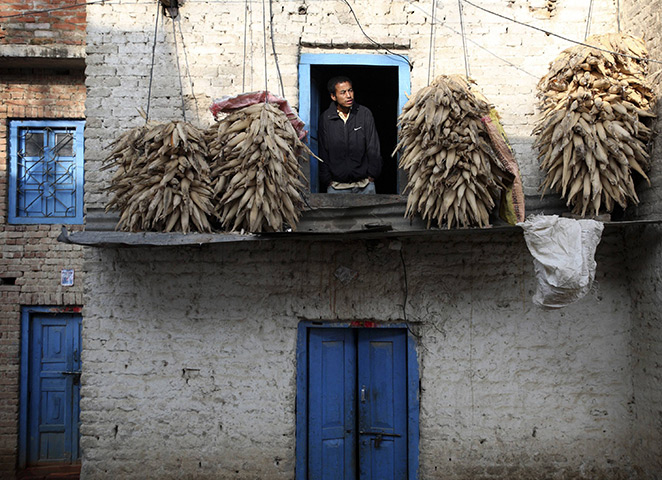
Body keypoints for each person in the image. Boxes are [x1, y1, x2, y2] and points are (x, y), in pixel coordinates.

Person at [318, 76, 382, 194]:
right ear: (333, 96)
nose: (349, 95)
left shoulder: (364, 114)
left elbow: (373, 146)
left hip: (364, 185)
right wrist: (327, 180)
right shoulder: (326, 118)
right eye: (343, 92)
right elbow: (323, 150)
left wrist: (372, 175)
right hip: (337, 187)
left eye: (350, 90)